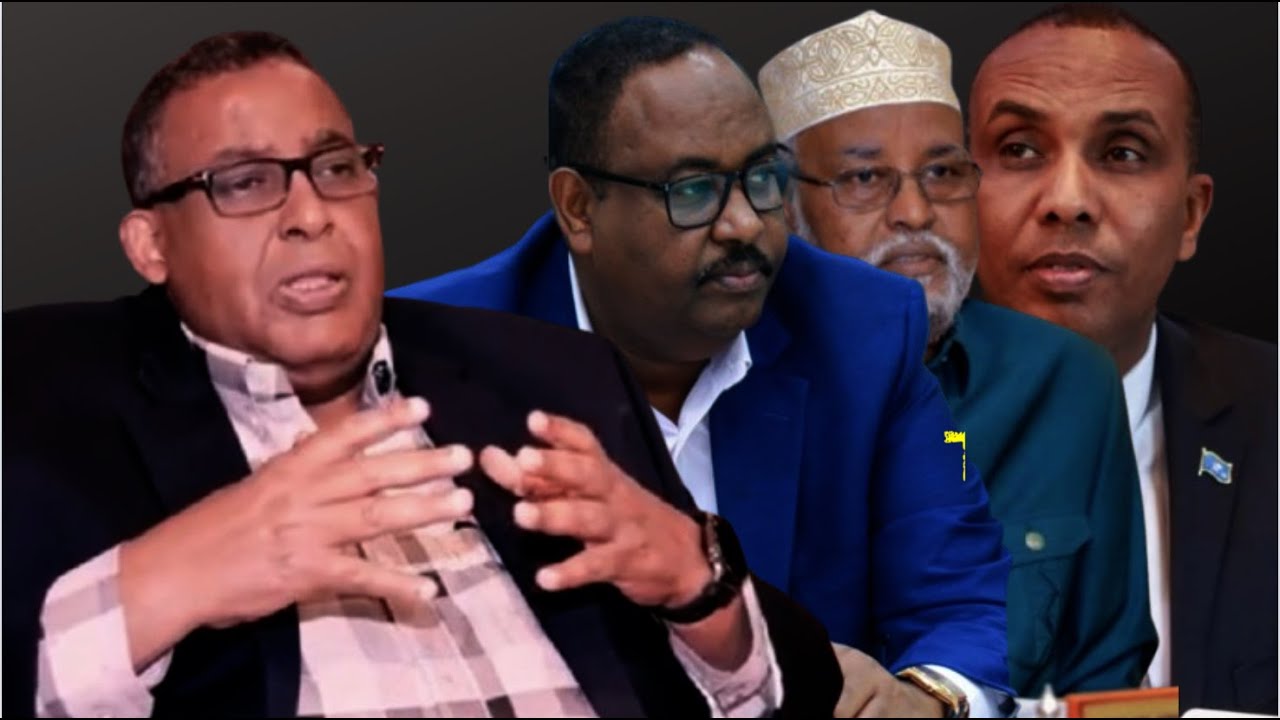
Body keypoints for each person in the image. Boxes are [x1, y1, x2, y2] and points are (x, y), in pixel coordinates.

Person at [2, 30, 844, 718]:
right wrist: (164, 583)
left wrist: (699, 587)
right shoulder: (44, 409)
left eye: (337, 168)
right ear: (150, 245)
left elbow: (797, 690)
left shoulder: (549, 376)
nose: (310, 214)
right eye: (245, 183)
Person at [392, 16, 1012, 718]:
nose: (744, 223)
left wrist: (929, 696)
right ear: (579, 208)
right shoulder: (436, 360)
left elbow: (958, 588)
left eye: (761, 177)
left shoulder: (862, 328)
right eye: (693, 190)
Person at [758, 9, 1156, 699]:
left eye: (942, 172)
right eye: (864, 179)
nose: (915, 212)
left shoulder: (1064, 383)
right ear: (784, 208)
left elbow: (1108, 681)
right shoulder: (725, 381)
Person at [968, 4, 1277, 713]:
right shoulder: (869, 426)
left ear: (1191, 215)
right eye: (1020, 149)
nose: (1067, 201)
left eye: (1123, 153)